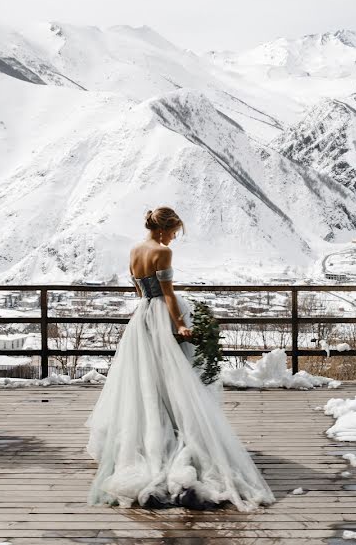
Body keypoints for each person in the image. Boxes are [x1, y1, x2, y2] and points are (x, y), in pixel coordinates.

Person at [85, 206, 275, 511]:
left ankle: (150, 438)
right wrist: (181, 324)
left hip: (143, 317)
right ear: (164, 229)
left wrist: (151, 310)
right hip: (162, 316)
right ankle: (177, 435)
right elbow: (169, 294)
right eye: (174, 232)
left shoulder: (135, 250)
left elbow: (139, 290)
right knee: (175, 379)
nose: (174, 238)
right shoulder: (162, 251)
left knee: (146, 379)